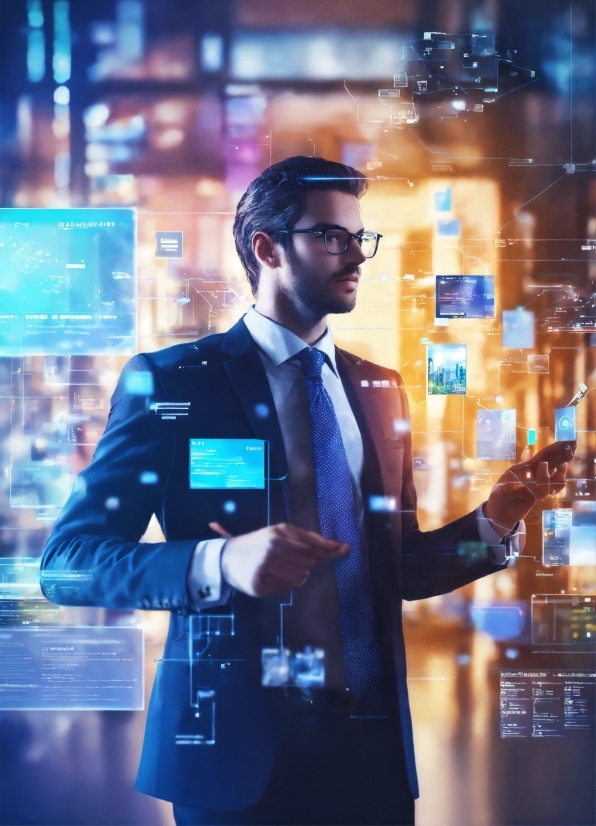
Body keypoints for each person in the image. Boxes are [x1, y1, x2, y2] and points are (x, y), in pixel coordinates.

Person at [41, 156, 575, 826]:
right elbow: (69, 563)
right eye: (332, 237)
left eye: (360, 237)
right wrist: (218, 563)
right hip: (235, 757)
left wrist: (494, 521)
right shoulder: (175, 382)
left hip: (370, 753)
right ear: (266, 247)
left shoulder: (381, 391)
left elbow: (397, 566)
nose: (357, 255)